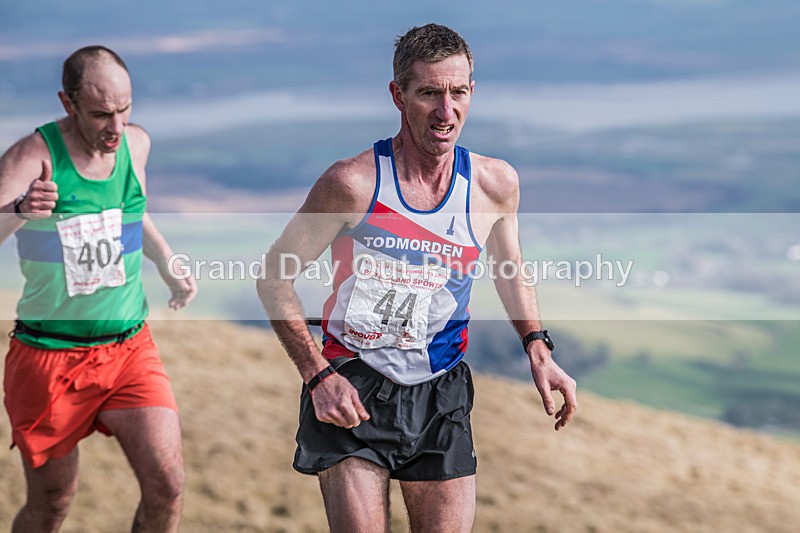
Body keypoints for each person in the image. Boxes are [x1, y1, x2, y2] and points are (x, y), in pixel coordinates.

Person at [257, 23, 577, 532]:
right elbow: (274, 277)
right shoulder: (353, 184)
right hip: (353, 383)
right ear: (398, 94)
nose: (446, 112)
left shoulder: (495, 185)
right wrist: (316, 375)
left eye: (458, 92)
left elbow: (509, 267)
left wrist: (538, 348)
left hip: (440, 389)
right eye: (429, 92)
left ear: (473, 91)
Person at [0, 46, 196, 532]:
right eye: (101, 114)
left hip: (128, 348)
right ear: (68, 104)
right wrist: (21, 209)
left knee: (167, 485)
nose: (116, 126)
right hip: (49, 355)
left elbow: (132, 212)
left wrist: (166, 262)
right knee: (52, 503)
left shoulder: (136, 145)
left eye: (125, 109)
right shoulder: (35, 156)